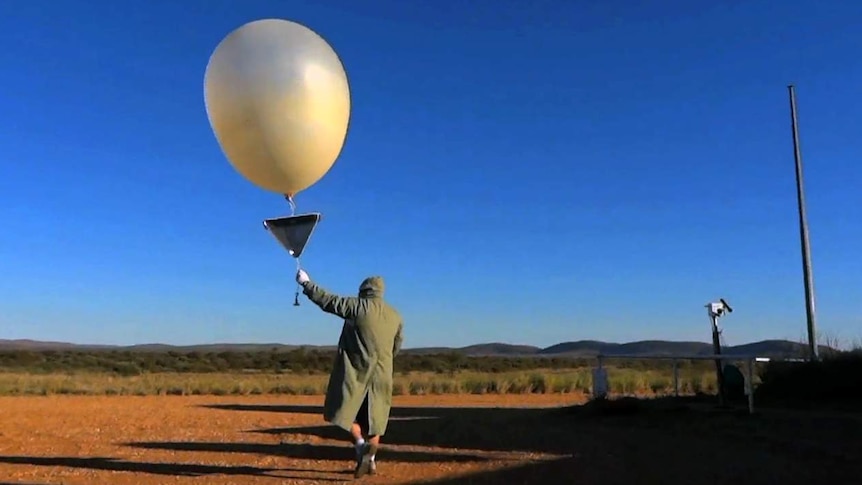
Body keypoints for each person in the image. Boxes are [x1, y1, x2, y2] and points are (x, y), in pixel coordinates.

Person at [295, 269, 404, 478]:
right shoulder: (395, 315)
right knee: (376, 419)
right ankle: (370, 461)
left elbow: (328, 301)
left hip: (356, 373)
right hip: (382, 374)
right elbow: (396, 346)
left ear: (363, 290)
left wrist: (306, 284)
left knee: (345, 411)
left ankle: (362, 446)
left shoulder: (357, 307)